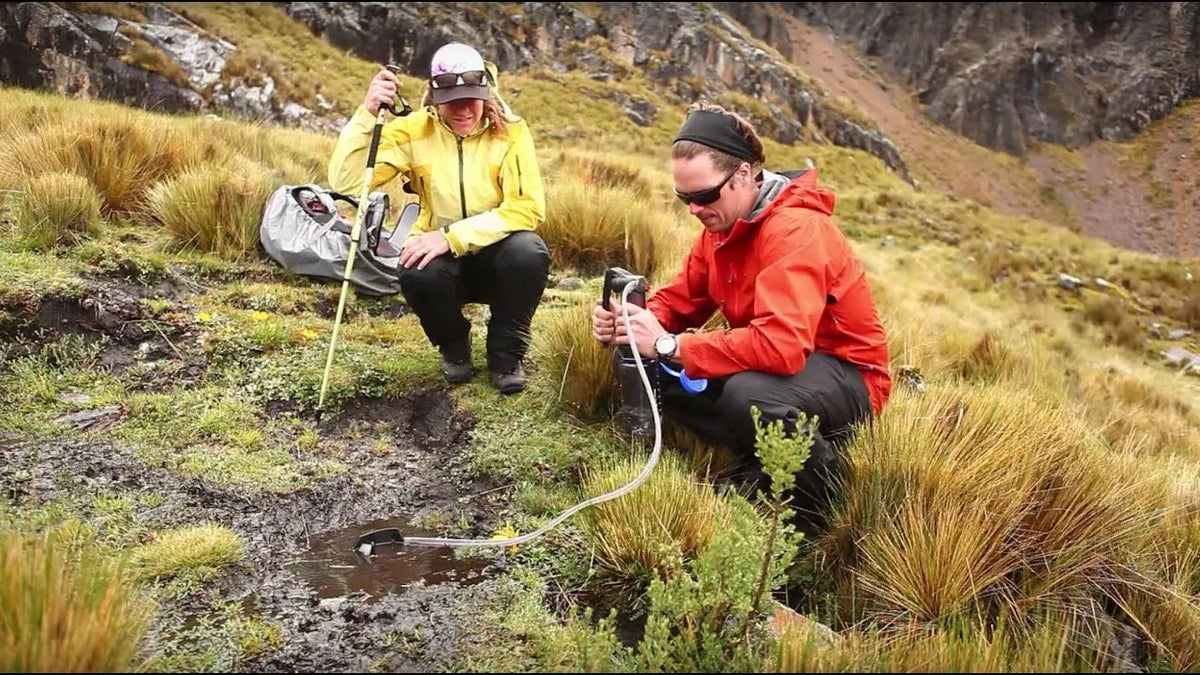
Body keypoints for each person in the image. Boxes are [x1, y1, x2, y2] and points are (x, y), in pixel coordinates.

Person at [591, 102, 892, 532]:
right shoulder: (721, 227)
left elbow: (781, 347)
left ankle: (824, 503)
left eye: (704, 196)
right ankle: (761, 461)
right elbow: (678, 302)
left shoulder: (795, 230)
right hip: (785, 369)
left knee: (749, 396)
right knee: (650, 367)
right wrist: (631, 323)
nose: (694, 210)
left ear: (745, 175)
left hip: (848, 376)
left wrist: (669, 344)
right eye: (684, 198)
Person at [329, 42, 550, 394]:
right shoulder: (414, 131)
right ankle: (454, 347)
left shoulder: (512, 132)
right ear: (434, 96)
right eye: (452, 99)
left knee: (529, 251)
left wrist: (451, 237)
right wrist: (367, 113)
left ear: (486, 93)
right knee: (416, 267)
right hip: (443, 262)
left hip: (498, 255)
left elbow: (527, 207)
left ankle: (506, 355)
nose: (463, 110)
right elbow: (348, 181)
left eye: (472, 98)